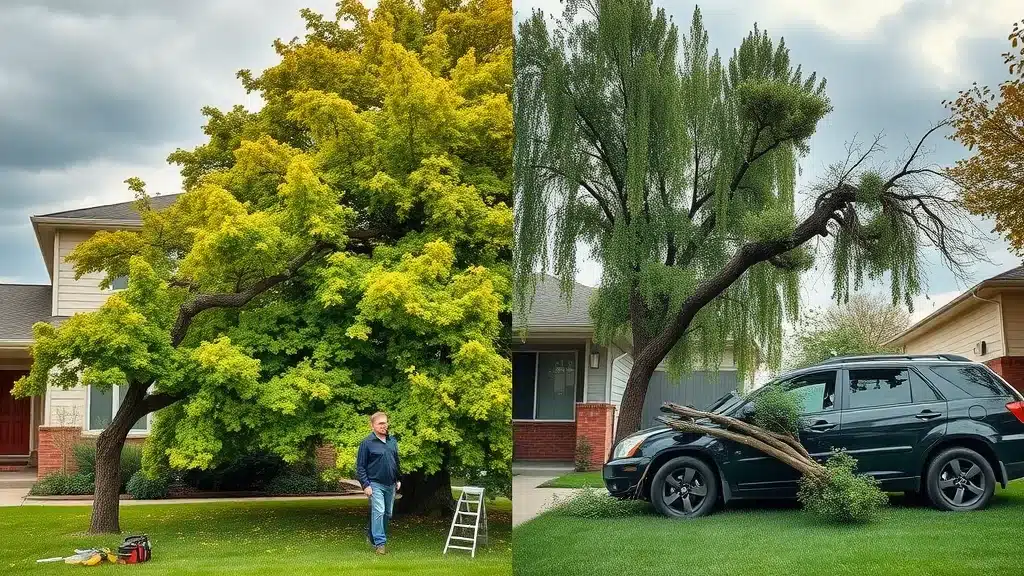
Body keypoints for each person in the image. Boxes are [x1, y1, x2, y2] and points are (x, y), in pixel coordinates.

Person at [356, 411, 401, 555]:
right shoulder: (366, 443)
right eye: (380, 423)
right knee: (379, 511)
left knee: (387, 513)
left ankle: (371, 534)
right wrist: (365, 484)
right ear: (372, 426)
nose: (384, 425)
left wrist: (398, 479)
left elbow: (396, 462)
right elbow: (360, 466)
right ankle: (380, 544)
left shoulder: (392, 441)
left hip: (391, 484)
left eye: (385, 422)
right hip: (375, 484)